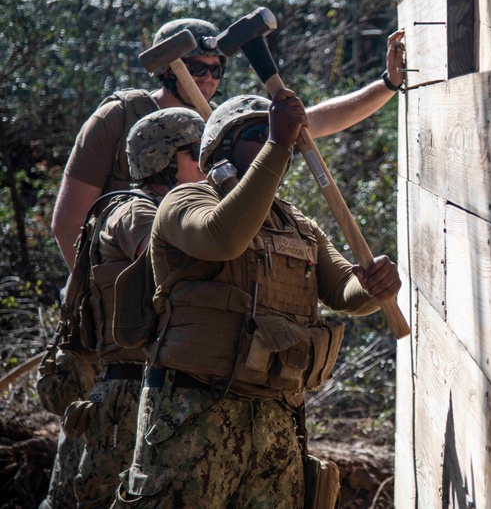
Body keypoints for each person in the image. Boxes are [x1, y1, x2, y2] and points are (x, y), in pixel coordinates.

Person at [113, 91, 401, 507]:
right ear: (222, 148)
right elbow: (223, 237)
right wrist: (279, 143)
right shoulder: (186, 200)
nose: (273, 139)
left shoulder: (297, 224)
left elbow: (345, 292)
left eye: (274, 133)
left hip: (277, 420)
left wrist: (376, 287)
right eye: (257, 133)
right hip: (192, 412)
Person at [51, 23, 406, 267]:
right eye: (195, 69)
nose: (206, 78)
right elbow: (68, 225)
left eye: (215, 69)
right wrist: (96, 299)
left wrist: (388, 84)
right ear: (168, 69)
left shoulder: (220, 124)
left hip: (194, 278)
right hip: (123, 276)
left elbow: (315, 121)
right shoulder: (120, 115)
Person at [63, 108, 205, 509]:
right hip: (129, 391)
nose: (205, 162)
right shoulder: (136, 212)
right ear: (162, 160)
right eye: (195, 152)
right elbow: (177, 262)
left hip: (148, 387)